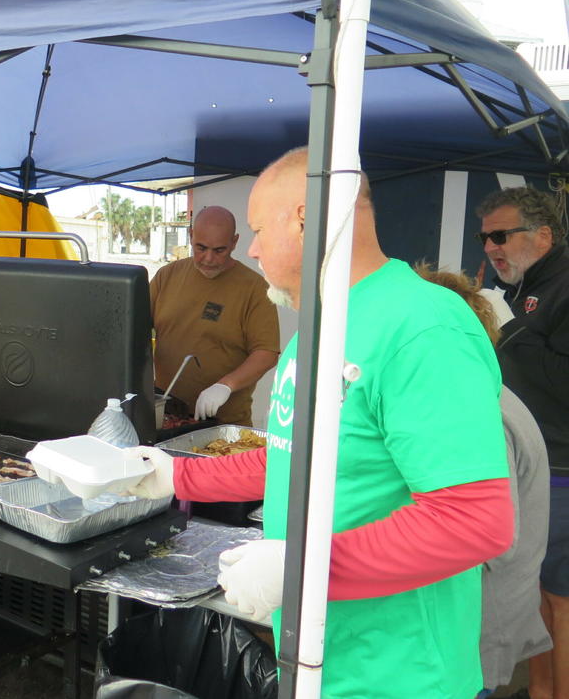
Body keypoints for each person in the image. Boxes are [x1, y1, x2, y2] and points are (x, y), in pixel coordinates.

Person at [128, 148, 514, 699]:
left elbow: (473, 520)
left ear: (307, 216)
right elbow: (289, 454)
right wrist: (171, 475)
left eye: (260, 230)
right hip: (318, 658)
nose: (254, 250)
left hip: (400, 674)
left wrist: (307, 569)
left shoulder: (423, 325)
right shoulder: (321, 326)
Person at [415, 263, 552, 696]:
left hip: (475, 627)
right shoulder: (476, 391)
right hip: (465, 617)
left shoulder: (481, 413)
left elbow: (489, 536)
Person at [476, 186, 569, 699]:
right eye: (484, 236)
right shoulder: (514, 286)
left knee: (559, 597)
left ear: (544, 235)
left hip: (559, 468)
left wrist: (510, 331)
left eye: (501, 235)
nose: (491, 246)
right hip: (516, 462)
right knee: (530, 592)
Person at [150, 205, 279, 425]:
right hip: (166, 417)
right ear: (191, 236)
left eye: (219, 250)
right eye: (200, 248)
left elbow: (266, 352)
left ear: (235, 242)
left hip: (224, 423)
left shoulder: (254, 288)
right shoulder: (167, 276)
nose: (208, 258)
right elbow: (134, 329)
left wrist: (226, 385)